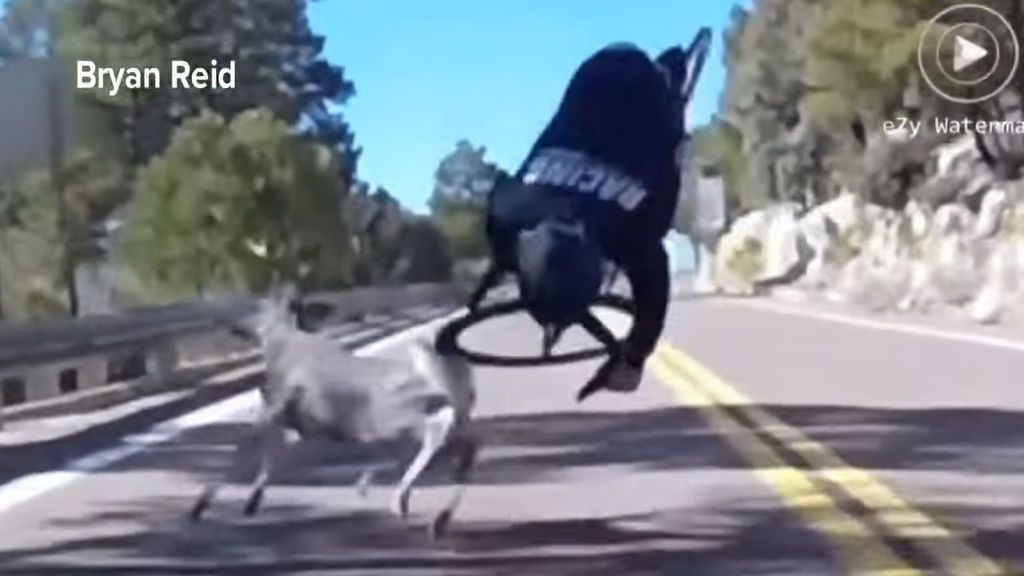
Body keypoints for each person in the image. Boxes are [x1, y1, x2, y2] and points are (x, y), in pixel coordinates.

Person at [468, 31, 711, 401]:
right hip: (599, 75)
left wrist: (632, 360)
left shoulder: (629, 231)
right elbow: (500, 234)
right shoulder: (511, 209)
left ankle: (670, 81)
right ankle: (668, 77)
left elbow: (653, 290)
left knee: (665, 166)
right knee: (651, 193)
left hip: (638, 90)